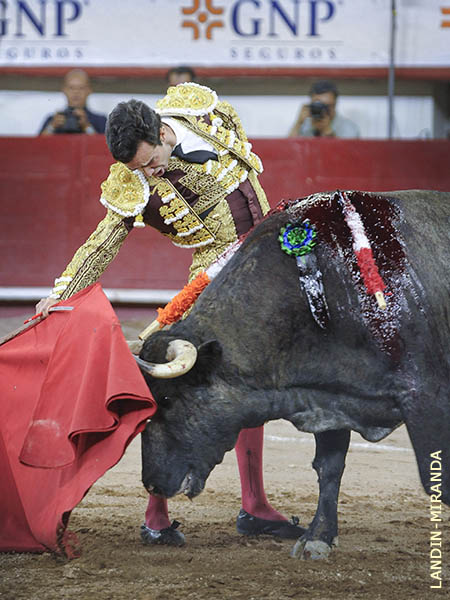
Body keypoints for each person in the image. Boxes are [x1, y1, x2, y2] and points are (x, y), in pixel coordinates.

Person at [36, 82, 304, 547]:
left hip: (265, 264)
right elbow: (103, 242)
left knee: (259, 379)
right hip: (213, 280)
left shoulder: (200, 110)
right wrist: (61, 291)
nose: (149, 174)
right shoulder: (134, 180)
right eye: (138, 169)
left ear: (163, 131)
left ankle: (255, 505)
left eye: (150, 161)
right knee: (168, 380)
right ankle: (155, 513)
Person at [39, 69, 107, 136]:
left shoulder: (101, 121)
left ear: (89, 91)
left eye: (81, 88)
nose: (76, 92)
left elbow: (106, 146)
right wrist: (52, 127)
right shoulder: (52, 120)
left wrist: (87, 127)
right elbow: (37, 145)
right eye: (71, 88)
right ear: (64, 90)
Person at [289, 80, 360, 138]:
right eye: (318, 105)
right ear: (310, 104)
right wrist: (298, 123)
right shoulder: (305, 125)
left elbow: (348, 153)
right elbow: (287, 149)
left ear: (335, 104)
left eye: (327, 106)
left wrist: (328, 132)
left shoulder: (348, 128)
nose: (322, 110)